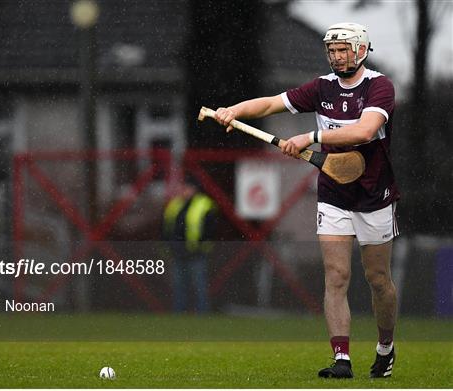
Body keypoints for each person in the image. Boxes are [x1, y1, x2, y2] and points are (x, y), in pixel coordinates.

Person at [214, 23, 399, 379]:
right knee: (336, 275)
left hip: (375, 194)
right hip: (333, 192)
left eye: (344, 49)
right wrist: (234, 110)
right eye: (332, 50)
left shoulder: (379, 87)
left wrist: (309, 137)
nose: (337, 56)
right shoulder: (321, 87)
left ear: (361, 50)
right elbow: (272, 103)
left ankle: (385, 347)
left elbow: (363, 131)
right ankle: (342, 359)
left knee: (378, 279)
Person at [163, 175, 216, 313]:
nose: (183, 190)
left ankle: (202, 313)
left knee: (199, 285)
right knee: (179, 286)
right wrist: (168, 244)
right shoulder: (175, 204)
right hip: (178, 251)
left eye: (186, 188)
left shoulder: (204, 204)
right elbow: (167, 226)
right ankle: (179, 314)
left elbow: (210, 228)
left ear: (194, 189)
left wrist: (201, 245)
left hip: (196, 253)